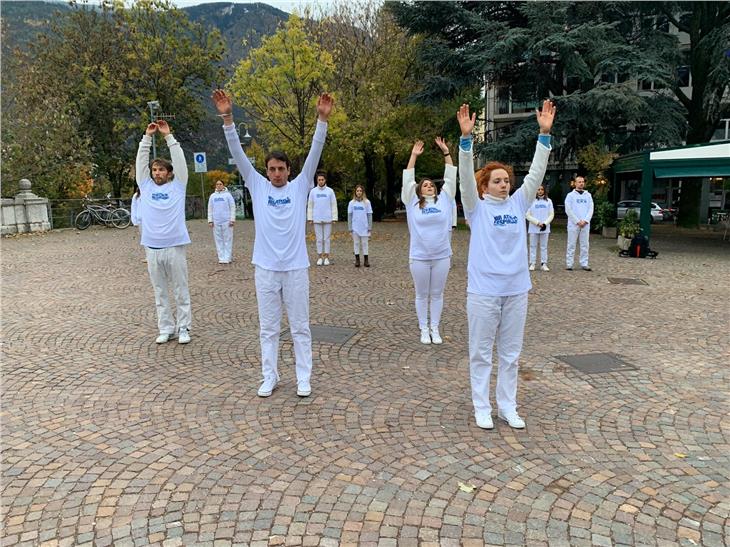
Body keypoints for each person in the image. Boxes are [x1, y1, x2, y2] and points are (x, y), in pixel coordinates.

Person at [212, 89, 333, 398]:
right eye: (272, 169)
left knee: (300, 327)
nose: (277, 174)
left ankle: (303, 377)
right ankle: (270, 376)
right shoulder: (257, 184)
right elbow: (237, 152)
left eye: (281, 169)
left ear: (289, 171)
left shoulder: (301, 186)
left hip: (295, 268)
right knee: (268, 328)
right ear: (266, 171)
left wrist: (321, 120)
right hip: (265, 268)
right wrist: (227, 119)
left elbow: (315, 153)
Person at [457, 99, 555, 430]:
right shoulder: (476, 208)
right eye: (497, 180)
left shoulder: (517, 204)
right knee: (481, 353)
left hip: (516, 290)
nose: (504, 183)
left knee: (511, 355)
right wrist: (466, 142)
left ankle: (507, 406)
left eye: (506, 180)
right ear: (485, 186)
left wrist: (544, 135)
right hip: (483, 291)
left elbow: (536, 174)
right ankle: (481, 406)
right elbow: (465, 183)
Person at [135, 120, 192, 345]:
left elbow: (180, 163)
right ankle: (165, 328)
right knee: (160, 292)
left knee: (180, 289)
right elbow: (140, 163)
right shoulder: (146, 186)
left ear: (169, 173)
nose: (157, 173)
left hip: (175, 246)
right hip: (152, 247)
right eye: (154, 170)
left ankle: (184, 327)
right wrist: (146, 138)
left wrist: (168, 137)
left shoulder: (178, 186)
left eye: (161, 170)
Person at [402, 137, 457, 345]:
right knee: (422, 294)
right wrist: (414, 156)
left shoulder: (444, 200)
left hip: (442, 256)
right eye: (425, 185)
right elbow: (408, 180)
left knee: (437, 294)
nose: (429, 187)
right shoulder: (412, 202)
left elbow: (451, 179)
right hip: (419, 257)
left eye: (431, 185)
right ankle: (423, 329)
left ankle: (435, 327)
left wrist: (446, 152)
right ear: (419, 190)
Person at [307, 171, 338, 265]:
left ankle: (327, 257)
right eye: (319, 180)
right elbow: (310, 205)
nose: (320, 181)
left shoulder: (330, 191)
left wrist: (334, 218)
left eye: (322, 179)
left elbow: (333, 204)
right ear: (317, 180)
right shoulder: (313, 191)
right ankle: (320, 257)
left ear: (325, 180)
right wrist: (310, 218)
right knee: (319, 239)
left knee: (327, 239)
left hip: (328, 218)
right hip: (316, 218)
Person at [564, 176, 594, 271]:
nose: (581, 183)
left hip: (585, 224)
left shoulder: (588, 195)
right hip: (574, 224)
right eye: (579, 182)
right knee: (571, 244)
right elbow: (568, 210)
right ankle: (569, 263)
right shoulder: (570, 196)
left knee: (585, 244)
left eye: (582, 182)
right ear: (575, 183)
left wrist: (585, 220)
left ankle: (584, 263)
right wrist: (577, 221)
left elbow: (591, 209)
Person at [526, 185, 554, 271]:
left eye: (542, 189)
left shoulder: (549, 201)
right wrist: (537, 222)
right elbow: (527, 215)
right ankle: (532, 263)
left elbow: (551, 214)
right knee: (533, 246)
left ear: (544, 191)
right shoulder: (530, 201)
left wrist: (545, 223)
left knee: (544, 246)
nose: (540, 191)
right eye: (538, 189)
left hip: (545, 227)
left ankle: (543, 263)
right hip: (534, 227)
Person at [207, 179, 236, 264]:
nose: (218, 185)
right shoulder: (212, 196)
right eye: (217, 184)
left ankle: (227, 257)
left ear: (223, 185)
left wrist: (232, 219)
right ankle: (221, 257)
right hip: (216, 221)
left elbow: (232, 207)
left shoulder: (228, 195)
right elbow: (210, 209)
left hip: (226, 221)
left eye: (220, 184)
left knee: (227, 239)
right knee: (218, 240)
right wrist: (210, 220)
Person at [347, 185, 372, 267]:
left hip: (364, 227)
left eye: (360, 191)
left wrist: (370, 227)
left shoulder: (367, 202)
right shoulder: (351, 203)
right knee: (356, 243)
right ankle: (357, 260)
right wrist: (350, 228)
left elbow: (369, 215)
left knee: (365, 243)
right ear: (355, 192)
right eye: (357, 191)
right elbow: (350, 216)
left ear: (363, 192)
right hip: (355, 227)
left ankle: (366, 260)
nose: (359, 192)